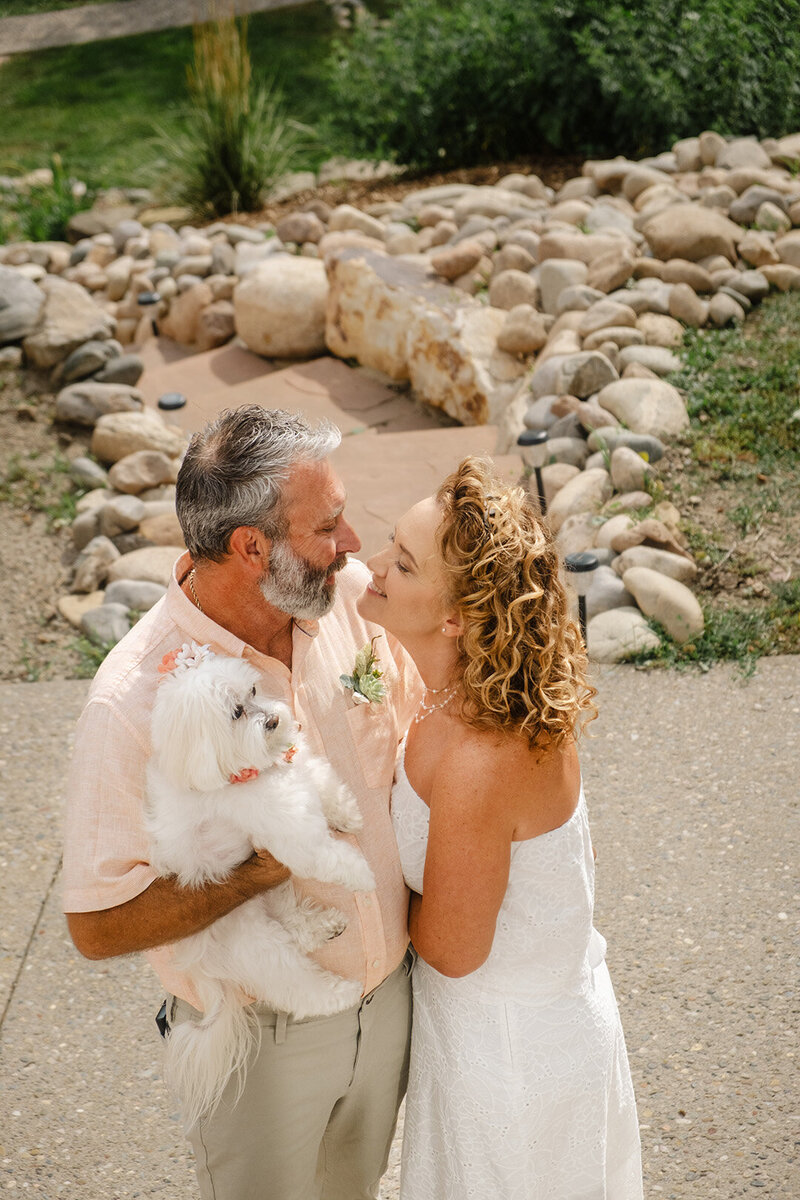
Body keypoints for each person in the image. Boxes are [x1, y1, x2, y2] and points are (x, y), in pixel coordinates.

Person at [62, 405, 421, 1200]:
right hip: (264, 1045)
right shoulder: (130, 704)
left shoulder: (354, 603)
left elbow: (421, 732)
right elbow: (95, 925)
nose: (354, 545)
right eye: (328, 527)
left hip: (391, 1001)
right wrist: (254, 875)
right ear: (252, 547)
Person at [357, 456, 643, 1200]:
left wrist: (354, 881)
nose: (375, 566)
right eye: (392, 544)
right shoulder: (450, 687)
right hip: (485, 1035)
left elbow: (452, 949)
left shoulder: (484, 758)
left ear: (455, 616)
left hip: (514, 1061)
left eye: (405, 564)